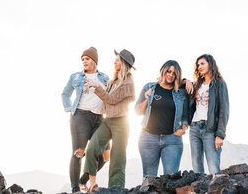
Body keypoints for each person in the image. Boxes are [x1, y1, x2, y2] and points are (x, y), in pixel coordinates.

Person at [84, 49, 136, 191]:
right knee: (92, 148)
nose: (114, 62)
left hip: (121, 123)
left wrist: (97, 87)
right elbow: (106, 101)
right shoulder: (113, 81)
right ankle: (92, 183)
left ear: (124, 63)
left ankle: (115, 190)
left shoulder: (128, 84)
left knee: (117, 161)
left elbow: (111, 100)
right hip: (108, 121)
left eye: (118, 60)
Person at [61, 47, 111, 193]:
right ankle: (75, 189)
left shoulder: (105, 78)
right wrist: (69, 107)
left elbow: (111, 95)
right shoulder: (75, 77)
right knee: (79, 152)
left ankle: (83, 180)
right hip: (81, 116)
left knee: (105, 155)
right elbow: (65, 93)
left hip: (100, 118)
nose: (84, 61)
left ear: (94, 61)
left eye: (87, 59)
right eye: (83, 59)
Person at [134, 60, 189, 177]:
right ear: (163, 71)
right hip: (148, 139)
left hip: (172, 140)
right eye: (168, 71)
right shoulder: (149, 87)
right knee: (149, 179)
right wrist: (147, 99)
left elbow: (185, 115)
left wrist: (184, 128)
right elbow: (137, 111)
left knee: (171, 179)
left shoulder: (180, 93)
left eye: (174, 73)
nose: (171, 75)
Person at [186, 54, 229, 174]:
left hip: (210, 129)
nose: (199, 66)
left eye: (202, 64)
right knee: (196, 168)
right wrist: (186, 81)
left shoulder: (219, 84)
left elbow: (224, 110)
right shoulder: (197, 85)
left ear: (210, 64)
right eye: (198, 65)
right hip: (194, 128)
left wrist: (220, 134)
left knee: (213, 167)